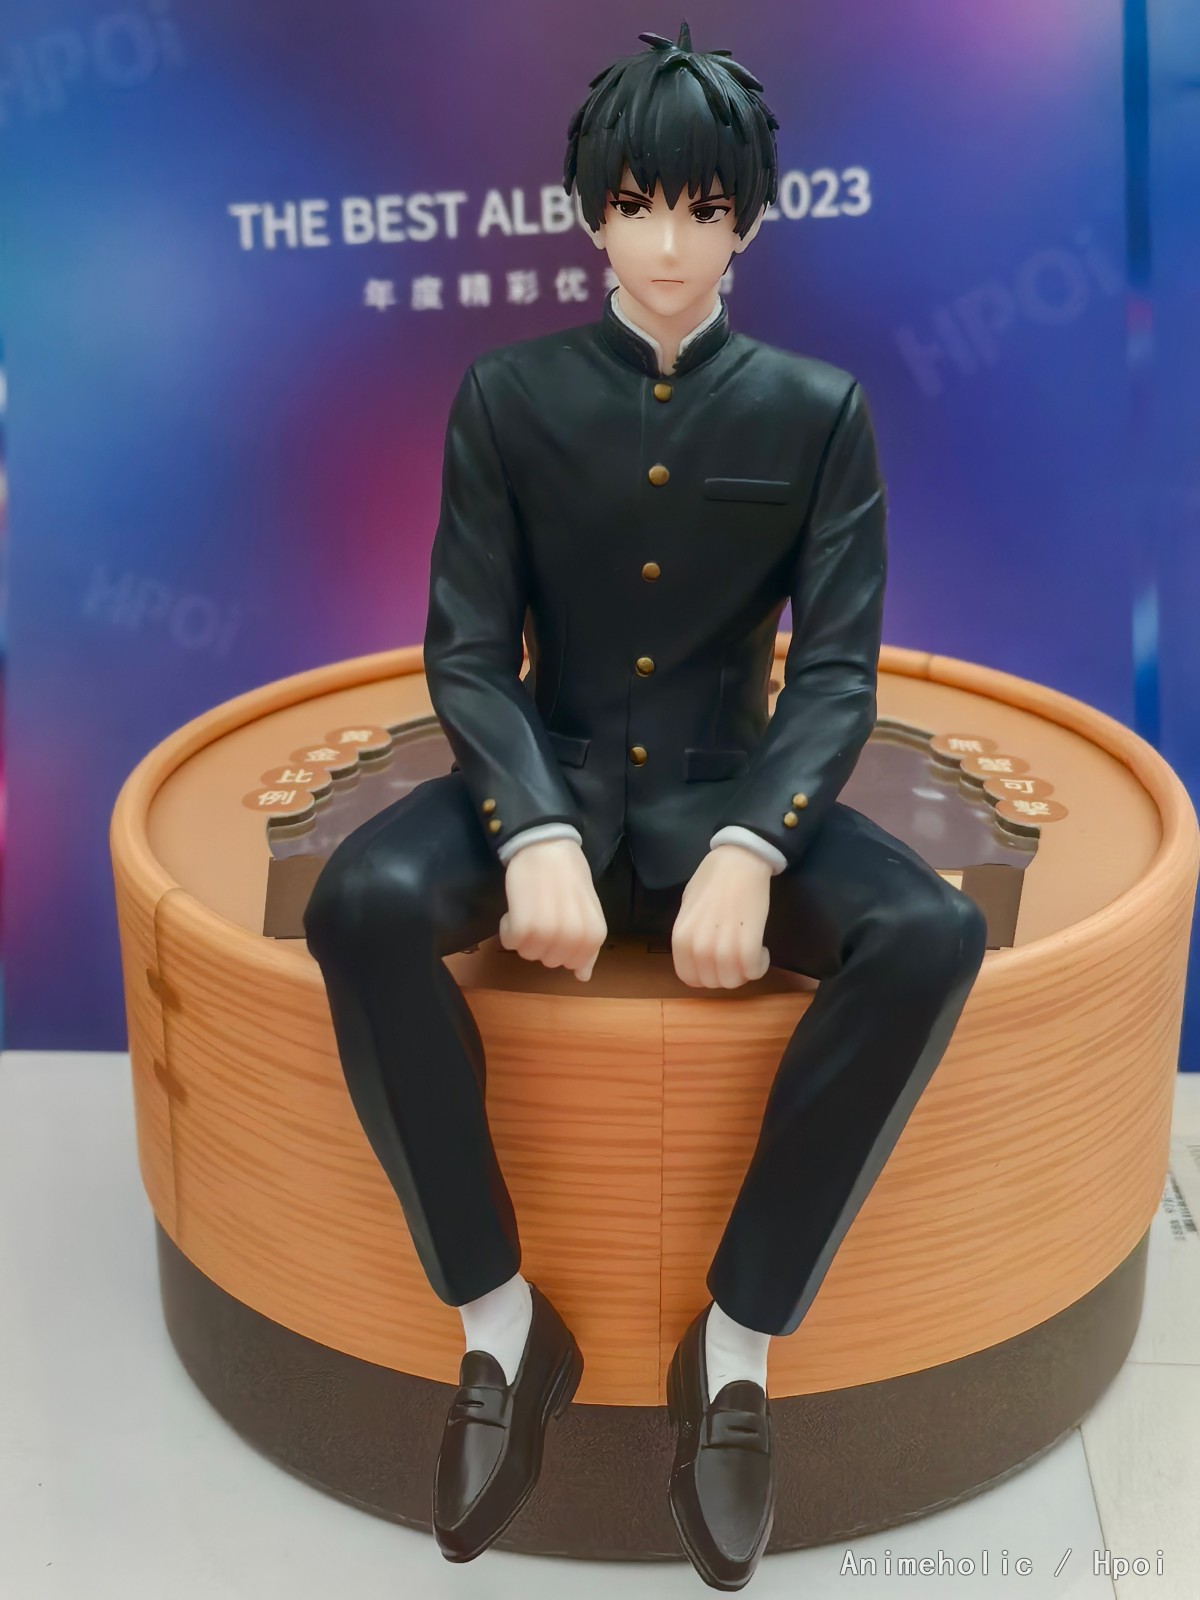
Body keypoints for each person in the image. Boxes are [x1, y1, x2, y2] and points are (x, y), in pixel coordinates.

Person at [303, 20, 987, 1591]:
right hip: (539, 785)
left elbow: (837, 676)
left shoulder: (819, 411)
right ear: (589, 214)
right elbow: (466, 651)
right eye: (637, 205)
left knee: (931, 935)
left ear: (750, 222)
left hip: (722, 798)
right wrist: (532, 825)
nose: (668, 243)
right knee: (360, 903)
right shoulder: (505, 397)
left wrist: (754, 842)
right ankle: (499, 1323)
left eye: (702, 207)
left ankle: (735, 1349)